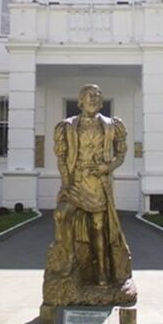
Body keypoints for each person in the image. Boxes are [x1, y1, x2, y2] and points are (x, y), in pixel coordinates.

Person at [49, 84, 131, 288]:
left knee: (98, 227)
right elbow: (61, 158)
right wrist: (66, 184)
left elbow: (121, 155)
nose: (93, 99)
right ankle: (68, 260)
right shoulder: (67, 126)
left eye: (97, 96)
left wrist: (107, 168)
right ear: (80, 101)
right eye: (89, 95)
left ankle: (102, 270)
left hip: (97, 185)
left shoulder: (112, 125)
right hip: (76, 183)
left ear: (101, 102)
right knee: (61, 215)